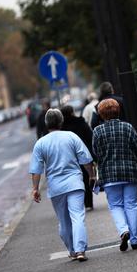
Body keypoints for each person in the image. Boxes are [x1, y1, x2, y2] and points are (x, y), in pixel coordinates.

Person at [30, 109, 95, 261]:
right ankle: (80, 250)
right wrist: (91, 175)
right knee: (77, 216)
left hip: (56, 187)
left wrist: (35, 189)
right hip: (75, 183)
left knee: (64, 221)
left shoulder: (41, 143)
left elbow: (36, 170)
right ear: (61, 122)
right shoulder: (71, 137)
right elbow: (85, 159)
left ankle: (72, 250)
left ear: (46, 124)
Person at [92, 99, 137, 251]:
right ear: (117, 111)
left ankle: (123, 230)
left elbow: (96, 152)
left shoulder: (97, 131)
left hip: (109, 174)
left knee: (115, 205)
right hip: (129, 172)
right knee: (132, 205)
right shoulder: (127, 127)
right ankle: (135, 240)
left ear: (101, 114)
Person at [60, 105, 95, 211]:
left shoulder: (61, 127)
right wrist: (93, 156)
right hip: (83, 155)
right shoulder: (80, 123)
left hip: (68, 158)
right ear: (72, 112)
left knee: (72, 180)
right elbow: (90, 137)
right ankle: (88, 203)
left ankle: (77, 204)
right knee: (86, 178)